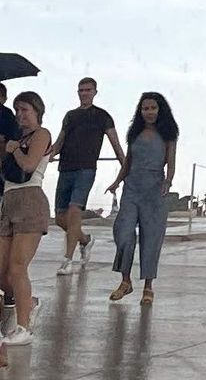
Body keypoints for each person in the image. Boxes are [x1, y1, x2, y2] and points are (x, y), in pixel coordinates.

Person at [106, 92, 178, 305]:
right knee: (124, 233)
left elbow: (171, 161)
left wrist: (168, 181)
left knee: (151, 239)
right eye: (145, 108)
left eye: (153, 108)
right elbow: (128, 160)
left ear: (160, 109)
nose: (149, 112)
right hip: (132, 187)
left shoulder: (168, 134)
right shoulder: (134, 132)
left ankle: (148, 286)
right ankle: (125, 281)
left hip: (155, 189)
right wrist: (118, 181)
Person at [51, 77, 123, 276]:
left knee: (74, 211)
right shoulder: (70, 116)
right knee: (60, 218)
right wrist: (43, 156)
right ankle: (85, 240)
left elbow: (116, 145)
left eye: (88, 90)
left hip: (86, 170)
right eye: (81, 90)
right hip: (66, 168)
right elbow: (59, 143)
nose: (84, 93)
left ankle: (67, 260)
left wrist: (125, 169)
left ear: (95, 92)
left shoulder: (103, 116)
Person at [0, 92, 53, 347]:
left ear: (37, 112)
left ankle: (24, 328)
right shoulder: (15, 138)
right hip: (9, 201)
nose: (20, 115)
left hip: (30, 200)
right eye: (17, 110)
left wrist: (14, 150)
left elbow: (30, 164)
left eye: (25, 110)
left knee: (18, 266)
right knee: (2, 269)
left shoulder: (41, 134)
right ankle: (28, 302)